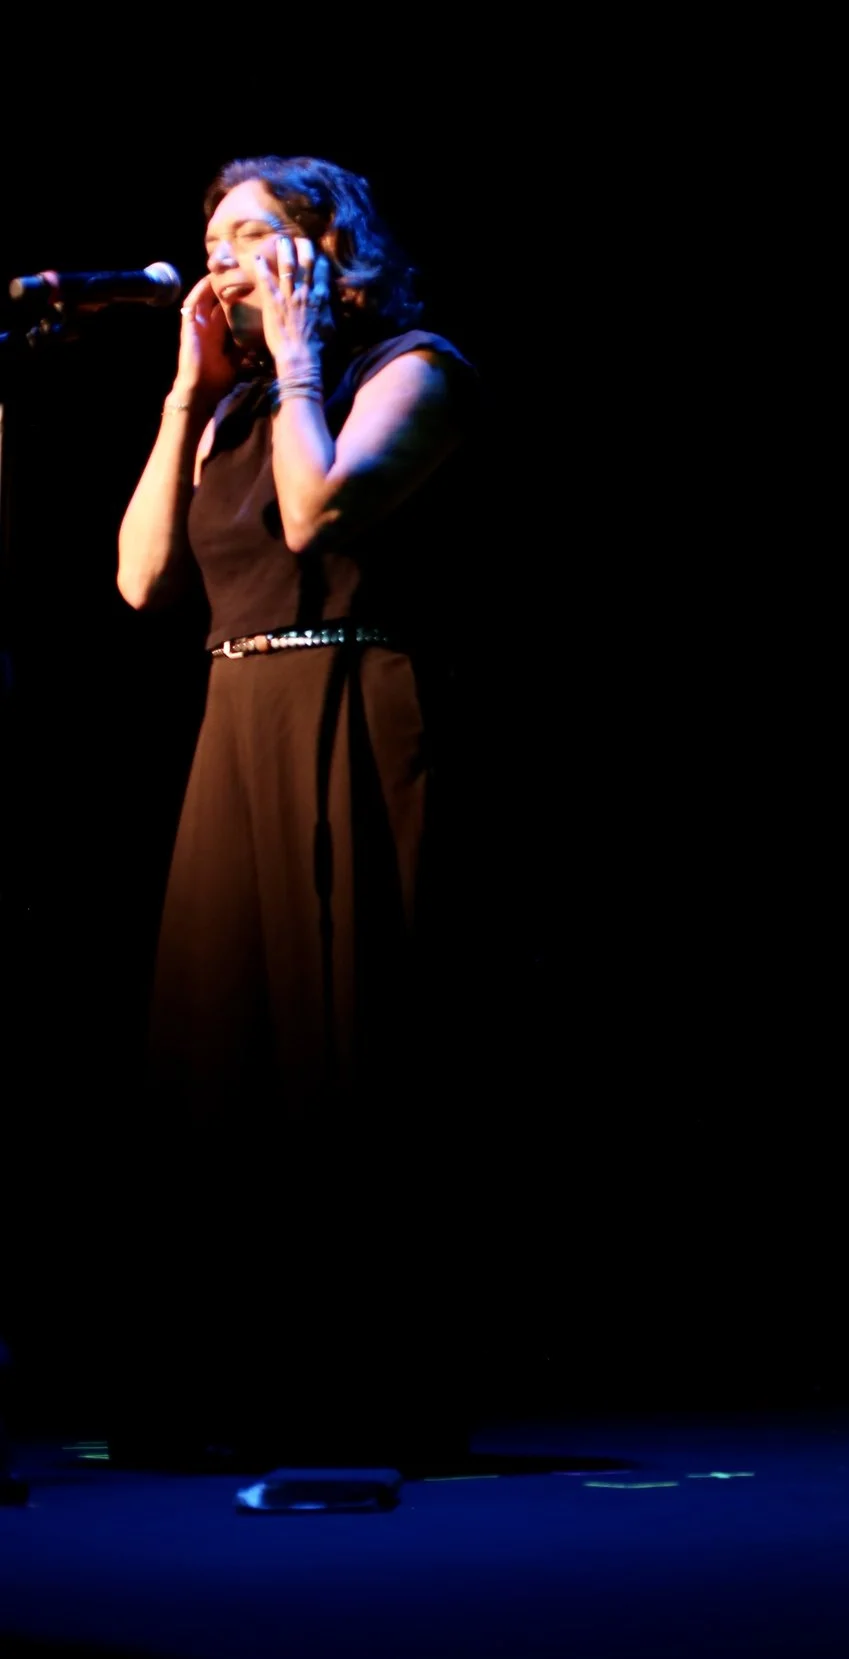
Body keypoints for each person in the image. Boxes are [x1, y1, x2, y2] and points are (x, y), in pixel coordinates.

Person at [110, 156, 476, 1465]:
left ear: (324, 249)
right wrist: (187, 395)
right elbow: (144, 578)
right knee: (221, 1045)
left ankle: (378, 1388)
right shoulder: (233, 408)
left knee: (351, 1040)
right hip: (234, 719)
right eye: (210, 238)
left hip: (351, 706)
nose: (220, 258)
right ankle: (228, 1386)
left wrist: (306, 353)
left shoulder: (413, 370)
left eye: (252, 232)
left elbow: (321, 508)